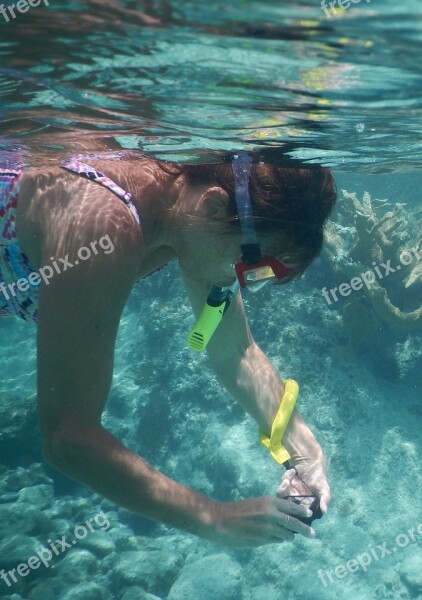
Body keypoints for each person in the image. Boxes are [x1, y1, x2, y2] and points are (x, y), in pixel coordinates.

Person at [0, 149, 335, 547]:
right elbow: (68, 437)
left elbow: (236, 352)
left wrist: (305, 451)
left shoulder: (189, 221)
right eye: (251, 266)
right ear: (212, 206)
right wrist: (214, 518)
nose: (242, 281)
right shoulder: (105, 229)